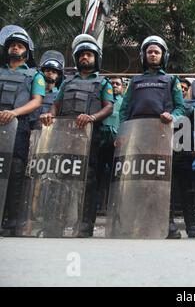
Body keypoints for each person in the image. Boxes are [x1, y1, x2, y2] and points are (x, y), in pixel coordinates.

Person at [40, 34, 114, 237]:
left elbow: (108, 107)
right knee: (59, 178)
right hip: (64, 135)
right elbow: (56, 104)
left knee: (88, 179)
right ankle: (55, 222)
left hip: (90, 137)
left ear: (95, 58)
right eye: (81, 55)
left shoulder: (103, 82)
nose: (85, 58)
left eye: (89, 54)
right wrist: (49, 114)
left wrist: (91, 117)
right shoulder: (67, 82)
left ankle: (84, 224)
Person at [119, 35, 185, 239]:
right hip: (137, 135)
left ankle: (167, 222)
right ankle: (135, 222)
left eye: (157, 52)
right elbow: (124, 110)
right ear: (144, 56)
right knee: (137, 179)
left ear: (163, 55)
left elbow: (181, 107)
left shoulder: (171, 80)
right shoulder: (135, 81)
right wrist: (122, 134)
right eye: (150, 52)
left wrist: (171, 116)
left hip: (161, 136)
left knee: (162, 179)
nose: (153, 55)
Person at [0, 25, 45, 235]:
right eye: (12, 46)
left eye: (19, 46)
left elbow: (37, 101)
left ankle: (11, 221)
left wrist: (15, 112)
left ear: (27, 51)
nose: (15, 49)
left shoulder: (35, 75)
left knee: (15, 172)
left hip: (19, 129)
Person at [97, 75, 124, 214]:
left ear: (122, 87)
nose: (114, 85)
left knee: (116, 175)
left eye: (117, 84)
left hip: (117, 142)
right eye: (112, 83)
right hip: (100, 139)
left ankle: (115, 207)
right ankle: (98, 207)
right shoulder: (101, 100)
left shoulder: (125, 102)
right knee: (98, 174)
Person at [29, 51, 65, 130]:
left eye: (54, 72)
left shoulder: (59, 94)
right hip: (27, 128)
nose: (50, 73)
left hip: (46, 132)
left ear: (58, 76)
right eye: (47, 71)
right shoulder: (33, 91)